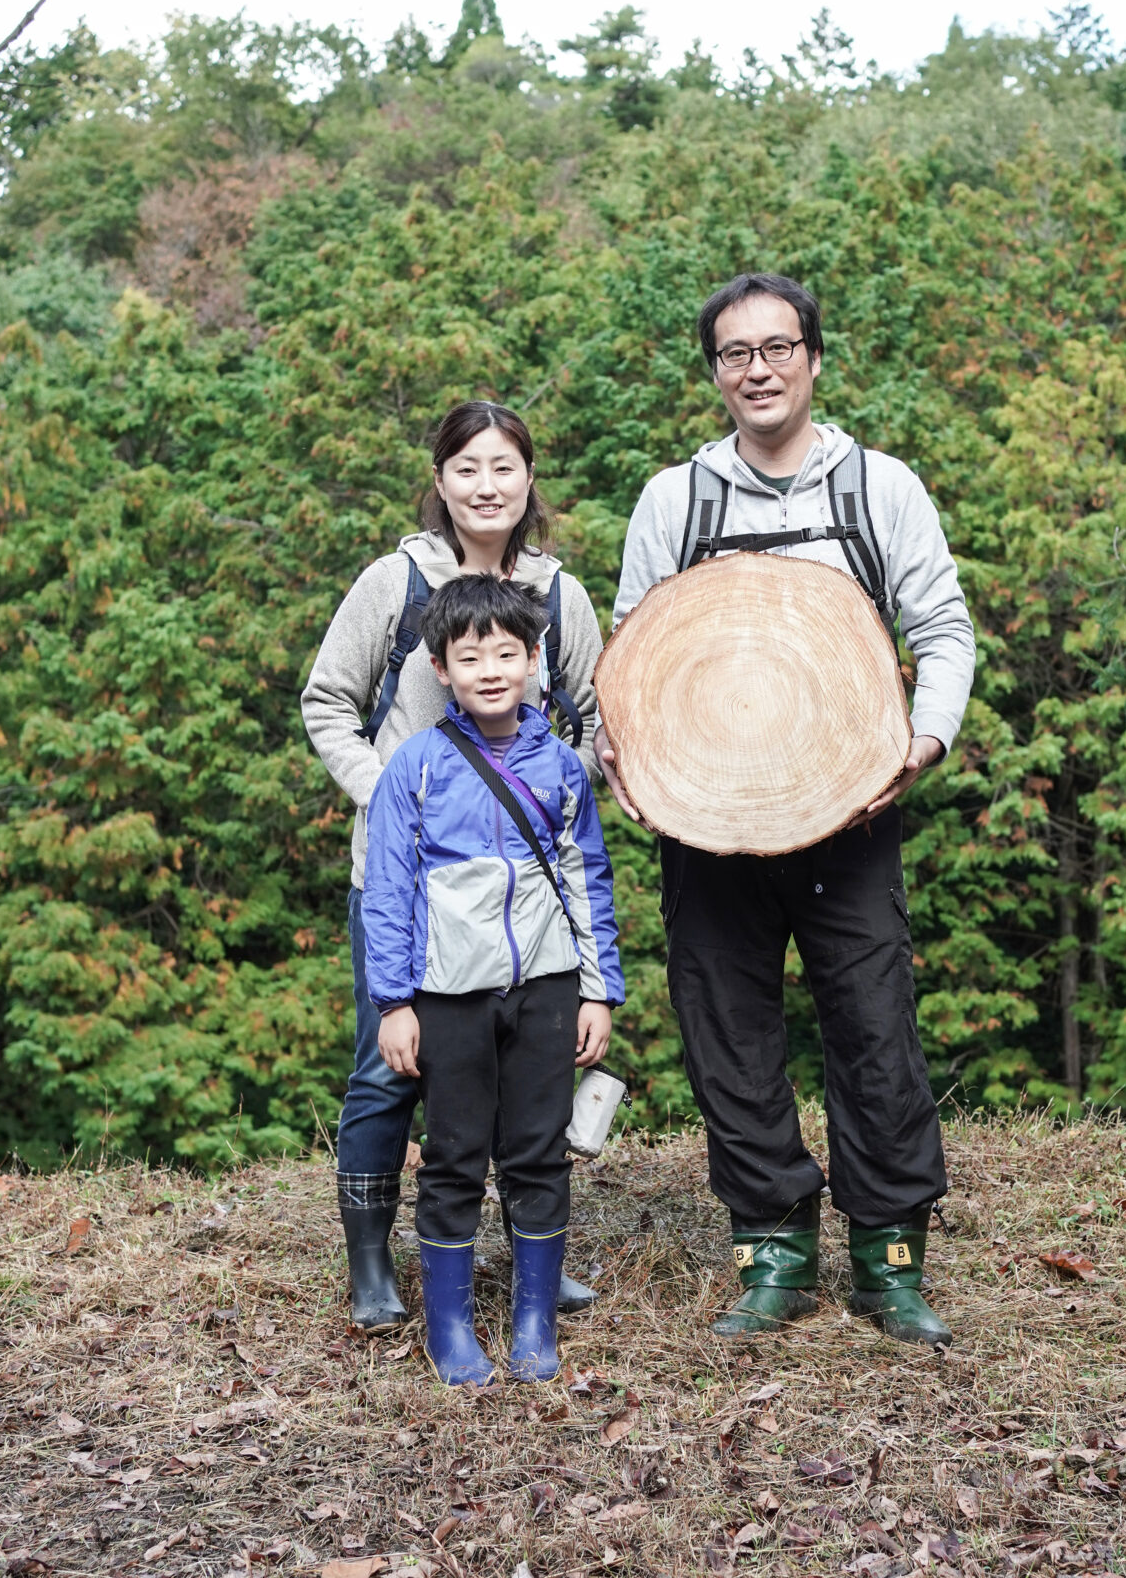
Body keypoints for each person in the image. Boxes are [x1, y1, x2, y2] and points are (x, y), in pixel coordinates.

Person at [597, 272, 975, 1345]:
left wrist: (923, 736)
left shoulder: (879, 486)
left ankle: (887, 1255)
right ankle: (772, 1249)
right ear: (714, 372)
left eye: (776, 346)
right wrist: (620, 752)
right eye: (733, 353)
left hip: (851, 807)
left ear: (813, 356)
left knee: (873, 1025)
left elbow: (941, 627)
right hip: (705, 818)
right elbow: (629, 652)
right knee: (729, 1030)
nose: (755, 368)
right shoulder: (678, 498)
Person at [301, 402, 605, 1333]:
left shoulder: (560, 597)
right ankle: (370, 1265)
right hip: (408, 887)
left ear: (528, 479)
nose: (487, 485)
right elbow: (328, 702)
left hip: (526, 898)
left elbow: (596, 719)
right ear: (440, 482)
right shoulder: (395, 584)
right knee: (393, 1065)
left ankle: (528, 1256)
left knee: (523, 1078)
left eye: (504, 467)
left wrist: (556, 794)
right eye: (467, 468)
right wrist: (391, 797)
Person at [364, 574, 624, 1385]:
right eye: (468, 655)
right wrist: (394, 1002)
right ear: (439, 667)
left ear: (535, 659)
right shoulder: (415, 766)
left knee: (538, 1155)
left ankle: (534, 1322)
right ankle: (449, 1330)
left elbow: (589, 880)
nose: (488, 669)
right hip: (448, 995)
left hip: (546, 988)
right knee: (453, 1156)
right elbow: (388, 891)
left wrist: (597, 988)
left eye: (506, 653)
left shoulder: (562, 770)